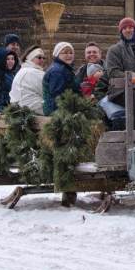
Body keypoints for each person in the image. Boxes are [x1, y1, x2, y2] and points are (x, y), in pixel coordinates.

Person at [42, 41, 82, 207]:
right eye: (64, 52)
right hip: (58, 113)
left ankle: (69, 191)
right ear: (57, 55)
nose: (68, 55)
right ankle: (67, 189)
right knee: (67, 148)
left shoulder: (64, 69)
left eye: (70, 52)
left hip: (64, 111)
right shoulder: (58, 71)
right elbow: (59, 95)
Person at [9, 45, 47, 119]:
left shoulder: (23, 70)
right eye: (39, 57)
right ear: (30, 58)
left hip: (19, 110)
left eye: (43, 58)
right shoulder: (33, 72)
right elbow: (47, 92)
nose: (42, 60)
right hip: (33, 110)